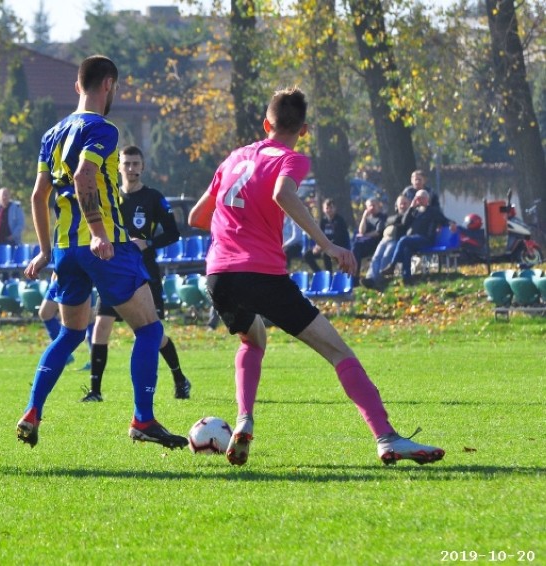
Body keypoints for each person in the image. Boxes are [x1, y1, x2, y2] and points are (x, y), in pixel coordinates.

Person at [188, 86, 444, 467]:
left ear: (265, 123)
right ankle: (387, 438)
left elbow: (196, 217)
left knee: (253, 339)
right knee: (339, 352)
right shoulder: (291, 159)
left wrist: (234, 228)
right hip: (262, 273)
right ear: (303, 129)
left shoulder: (234, 158)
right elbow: (282, 193)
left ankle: (244, 418)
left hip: (219, 275)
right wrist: (328, 245)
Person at [17, 55, 187, 450]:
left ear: (77, 86)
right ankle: (143, 419)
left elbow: (39, 194)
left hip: (64, 250)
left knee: (72, 333)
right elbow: (84, 175)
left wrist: (44, 251)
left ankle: (32, 411)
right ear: (108, 84)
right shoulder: (104, 129)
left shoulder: (52, 134)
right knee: (149, 329)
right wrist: (97, 232)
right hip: (105, 246)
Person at [80, 145, 192, 402]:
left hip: (144, 273)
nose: (131, 169)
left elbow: (173, 232)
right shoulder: (109, 199)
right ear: (118, 166)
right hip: (113, 272)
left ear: (143, 167)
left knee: (154, 333)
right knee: (100, 328)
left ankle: (179, 378)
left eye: (135, 164)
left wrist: (148, 243)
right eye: (127, 164)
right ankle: (95, 391)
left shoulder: (152, 198)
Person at [379, 189, 450, 284]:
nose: (419, 200)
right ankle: (406, 278)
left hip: (426, 239)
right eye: (417, 198)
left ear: (426, 199)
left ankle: (392, 266)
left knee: (403, 240)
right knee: (406, 250)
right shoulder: (414, 211)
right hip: (413, 240)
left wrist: (451, 224)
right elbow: (404, 222)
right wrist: (411, 207)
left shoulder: (433, 211)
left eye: (421, 198)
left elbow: (444, 220)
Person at [363, 195, 410, 288]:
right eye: (401, 204)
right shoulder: (393, 216)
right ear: (397, 205)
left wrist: (395, 222)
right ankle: (370, 278)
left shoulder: (410, 215)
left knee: (386, 256)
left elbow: (404, 223)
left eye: (405, 203)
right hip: (385, 239)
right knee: (376, 257)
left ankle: (379, 279)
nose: (403, 206)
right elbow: (386, 223)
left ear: (408, 204)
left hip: (396, 240)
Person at [302, 198, 349, 272]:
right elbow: (319, 235)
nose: (329, 210)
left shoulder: (340, 221)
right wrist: (317, 246)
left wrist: (324, 246)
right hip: (324, 247)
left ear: (335, 208)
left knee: (325, 254)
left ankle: (329, 274)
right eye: (327, 208)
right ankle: (320, 274)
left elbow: (339, 238)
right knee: (307, 255)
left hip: (338, 247)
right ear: (324, 209)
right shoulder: (323, 221)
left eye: (331, 207)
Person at [351, 198, 387, 285]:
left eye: (374, 205)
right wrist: (364, 217)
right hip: (364, 244)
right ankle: (354, 277)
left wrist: (365, 235)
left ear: (378, 205)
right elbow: (361, 231)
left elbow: (378, 232)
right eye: (370, 206)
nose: (372, 207)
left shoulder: (382, 217)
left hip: (376, 244)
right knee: (355, 249)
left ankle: (355, 278)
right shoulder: (368, 218)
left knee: (356, 248)